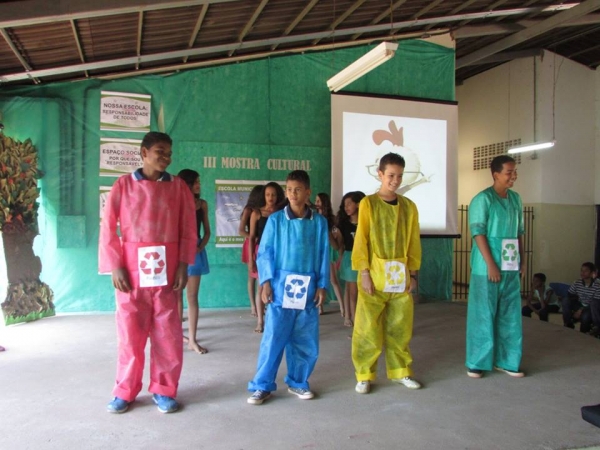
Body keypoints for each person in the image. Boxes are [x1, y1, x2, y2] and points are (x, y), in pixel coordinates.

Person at [99, 132, 197, 414]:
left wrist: (182, 264)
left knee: (168, 333)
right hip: (131, 271)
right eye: (159, 151)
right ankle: (125, 390)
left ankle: (163, 389)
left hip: (166, 270)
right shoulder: (123, 185)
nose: (166, 157)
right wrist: (115, 265)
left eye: (169, 152)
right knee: (130, 333)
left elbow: (188, 228)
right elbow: (108, 227)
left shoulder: (178, 187)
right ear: (143, 153)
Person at [247, 170, 330, 405]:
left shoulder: (319, 223)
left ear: (308, 192)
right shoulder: (276, 220)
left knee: (305, 339)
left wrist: (322, 285)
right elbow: (265, 253)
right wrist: (265, 282)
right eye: (289, 189)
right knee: (273, 337)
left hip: (308, 288)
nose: (293, 194)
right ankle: (262, 385)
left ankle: (298, 382)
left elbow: (324, 254)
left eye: (298, 189)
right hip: (280, 288)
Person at [351, 153, 422, 395]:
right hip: (374, 277)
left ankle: (401, 371)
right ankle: (364, 374)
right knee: (367, 328)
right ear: (380, 174)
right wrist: (364, 273)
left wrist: (413, 274)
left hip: (400, 279)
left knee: (400, 327)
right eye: (391, 175)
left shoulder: (409, 207)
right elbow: (362, 240)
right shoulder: (368, 204)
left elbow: (413, 242)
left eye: (399, 176)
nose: (395, 180)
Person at [466, 155, 525, 379]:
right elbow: (478, 233)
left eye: (515, 171)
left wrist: (522, 260)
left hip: (510, 266)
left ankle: (508, 360)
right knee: (483, 314)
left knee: (510, 315)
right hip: (486, 269)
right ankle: (477, 361)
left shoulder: (516, 200)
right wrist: (491, 264)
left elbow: (520, 232)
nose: (513, 176)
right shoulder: (483, 199)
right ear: (496, 174)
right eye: (509, 172)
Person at [177, 169, 211, 354]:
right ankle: (176, 335)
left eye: (199, 182)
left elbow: (207, 232)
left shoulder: (202, 204)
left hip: (195, 252)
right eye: (196, 182)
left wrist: (199, 247)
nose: (199, 185)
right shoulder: (176, 202)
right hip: (177, 251)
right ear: (187, 184)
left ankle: (192, 339)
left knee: (192, 297)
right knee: (176, 296)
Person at [248, 182, 285, 333]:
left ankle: (273, 320)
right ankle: (260, 321)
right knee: (261, 287)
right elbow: (251, 237)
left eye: (274, 194)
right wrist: (251, 259)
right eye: (268, 194)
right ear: (263, 195)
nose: (271, 197)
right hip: (262, 254)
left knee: (277, 287)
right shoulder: (256, 213)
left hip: (279, 254)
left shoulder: (282, 213)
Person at [337, 191, 366, 327]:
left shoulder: (367, 222)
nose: (346, 207)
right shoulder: (343, 225)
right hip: (350, 259)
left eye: (349, 203)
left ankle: (360, 322)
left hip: (365, 259)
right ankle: (357, 326)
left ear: (359, 204)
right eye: (344, 205)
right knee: (352, 292)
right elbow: (339, 245)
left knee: (364, 292)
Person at [315, 192, 344, 317]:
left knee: (333, 280)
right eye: (315, 201)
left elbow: (337, 240)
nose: (316, 204)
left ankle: (342, 307)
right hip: (316, 250)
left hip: (329, 250)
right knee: (317, 279)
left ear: (324, 203)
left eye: (318, 201)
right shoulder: (313, 217)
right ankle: (319, 307)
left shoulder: (332, 219)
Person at [239, 185, 264, 317]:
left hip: (259, 244)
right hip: (252, 244)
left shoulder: (263, 211)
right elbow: (241, 230)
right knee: (252, 277)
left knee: (258, 277)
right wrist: (253, 236)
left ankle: (259, 304)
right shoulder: (249, 210)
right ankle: (253, 306)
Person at [562, 262, 600, 333]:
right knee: (565, 300)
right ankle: (568, 323)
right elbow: (570, 295)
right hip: (580, 304)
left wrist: (580, 311)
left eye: (586, 271)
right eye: (581, 270)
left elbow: (595, 303)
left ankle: (589, 331)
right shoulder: (577, 282)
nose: (583, 273)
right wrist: (576, 309)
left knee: (585, 317)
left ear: (592, 273)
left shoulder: (597, 284)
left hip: (591, 307)